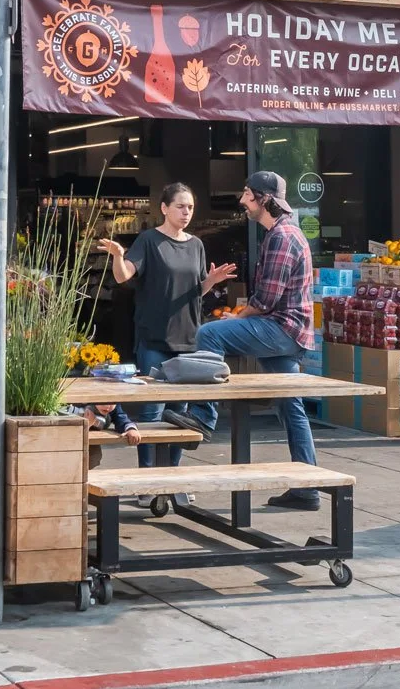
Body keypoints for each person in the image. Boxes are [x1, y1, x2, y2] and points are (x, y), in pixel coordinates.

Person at [163, 172, 321, 511]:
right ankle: (308, 487)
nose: (242, 201)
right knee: (290, 405)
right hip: (290, 331)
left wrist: (238, 317)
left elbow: (266, 299)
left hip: (280, 328)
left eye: (247, 195)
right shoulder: (283, 233)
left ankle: (203, 416)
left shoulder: (281, 237)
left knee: (208, 333)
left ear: (264, 199)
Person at [95, 182, 236, 470]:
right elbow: (124, 277)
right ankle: (147, 478)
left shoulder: (196, 245)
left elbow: (196, 290)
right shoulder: (149, 240)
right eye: (180, 206)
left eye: (190, 207)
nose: (186, 212)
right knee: (151, 414)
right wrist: (118, 257)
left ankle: (171, 476)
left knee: (181, 415)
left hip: (189, 340)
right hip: (154, 339)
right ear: (164, 208)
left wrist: (212, 281)